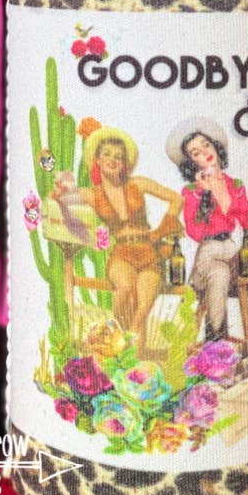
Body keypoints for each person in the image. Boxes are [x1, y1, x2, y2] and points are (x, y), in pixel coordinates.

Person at [166, 117, 248, 341]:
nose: (204, 152)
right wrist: (206, 194)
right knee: (220, 274)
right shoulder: (191, 192)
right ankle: (215, 342)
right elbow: (195, 232)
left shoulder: (234, 185)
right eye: (195, 152)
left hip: (230, 250)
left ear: (215, 146)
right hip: (208, 255)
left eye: (206, 145)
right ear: (191, 163)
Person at [74, 125, 183, 343]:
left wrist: (161, 230)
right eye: (107, 154)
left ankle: (128, 347)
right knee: (123, 288)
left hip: (150, 254)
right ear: (97, 160)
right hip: (122, 255)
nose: (113, 160)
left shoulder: (138, 183)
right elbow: (59, 198)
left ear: (125, 163)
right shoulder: (91, 194)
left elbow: (177, 199)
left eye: (119, 157)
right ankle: (111, 338)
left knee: (143, 306)